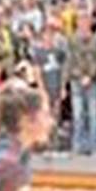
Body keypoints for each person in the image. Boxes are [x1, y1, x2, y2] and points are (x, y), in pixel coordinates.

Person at [29, 21, 68, 152]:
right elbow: (37, 72)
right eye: (47, 35)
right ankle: (44, 146)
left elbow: (63, 71)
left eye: (52, 35)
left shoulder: (59, 52)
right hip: (45, 88)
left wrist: (62, 87)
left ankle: (55, 144)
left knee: (56, 117)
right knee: (44, 117)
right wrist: (42, 90)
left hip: (56, 86)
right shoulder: (38, 53)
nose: (49, 37)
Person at [65, 16, 96, 154]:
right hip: (76, 81)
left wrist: (90, 76)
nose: (84, 24)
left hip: (93, 81)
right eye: (81, 21)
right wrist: (79, 76)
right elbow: (70, 60)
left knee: (93, 115)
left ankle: (94, 148)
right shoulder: (71, 40)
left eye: (86, 21)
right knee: (78, 115)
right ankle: (77, 147)